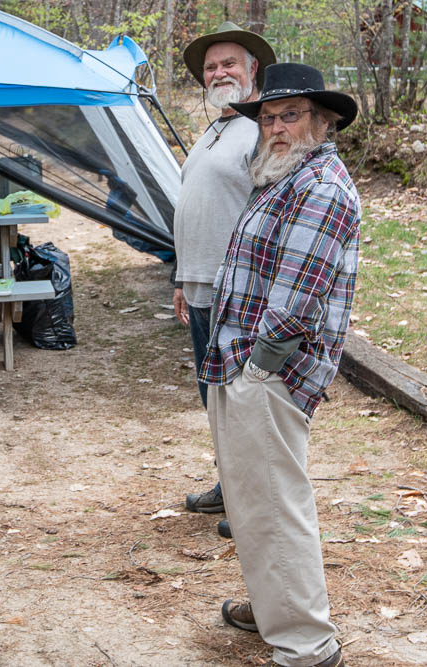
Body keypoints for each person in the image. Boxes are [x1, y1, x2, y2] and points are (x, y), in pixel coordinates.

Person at [203, 63, 360, 667]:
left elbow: (298, 299)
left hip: (270, 371)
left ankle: (306, 643)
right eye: (268, 117)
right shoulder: (281, 176)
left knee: (274, 501)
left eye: (289, 115)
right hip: (243, 362)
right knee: (251, 500)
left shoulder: (321, 186)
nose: (275, 127)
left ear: (322, 122)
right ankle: (274, 607)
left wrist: (259, 370)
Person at [175, 22, 275, 534]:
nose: (219, 73)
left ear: (252, 69)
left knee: (243, 399)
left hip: (239, 288)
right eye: (211, 67)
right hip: (199, 285)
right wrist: (180, 276)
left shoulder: (264, 128)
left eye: (229, 64)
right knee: (213, 394)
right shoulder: (216, 128)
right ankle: (229, 485)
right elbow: (200, 204)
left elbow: (271, 211)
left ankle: (252, 505)